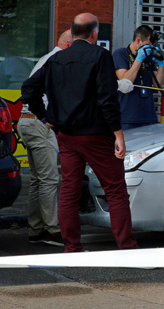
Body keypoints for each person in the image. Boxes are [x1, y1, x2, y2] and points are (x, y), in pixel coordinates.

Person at [21, 13, 138, 253]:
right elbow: (107, 98)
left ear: (72, 33)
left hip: (67, 136)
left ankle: (72, 247)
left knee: (68, 191)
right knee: (115, 190)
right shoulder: (100, 56)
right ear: (94, 34)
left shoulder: (56, 59)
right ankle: (126, 246)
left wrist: (46, 118)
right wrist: (118, 134)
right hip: (96, 134)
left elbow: (28, 88)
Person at [18, 29, 72, 246]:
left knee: (38, 180)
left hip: (26, 122)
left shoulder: (45, 58)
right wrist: (46, 119)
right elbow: (32, 91)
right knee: (50, 180)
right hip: (39, 123)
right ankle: (52, 230)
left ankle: (36, 229)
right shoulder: (57, 59)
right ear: (68, 45)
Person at [113, 25, 164, 130]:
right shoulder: (120, 54)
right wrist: (139, 59)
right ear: (138, 41)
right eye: (147, 45)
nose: (148, 48)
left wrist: (161, 65)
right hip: (127, 117)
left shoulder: (148, 56)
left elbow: (158, 85)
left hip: (149, 116)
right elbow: (126, 80)